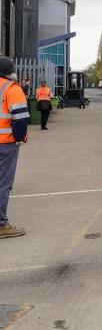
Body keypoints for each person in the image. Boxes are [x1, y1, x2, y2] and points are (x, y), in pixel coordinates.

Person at [0, 57, 30, 239]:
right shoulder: (12, 88)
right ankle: (1, 224)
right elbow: (20, 119)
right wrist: (20, 138)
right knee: (3, 184)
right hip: (5, 144)